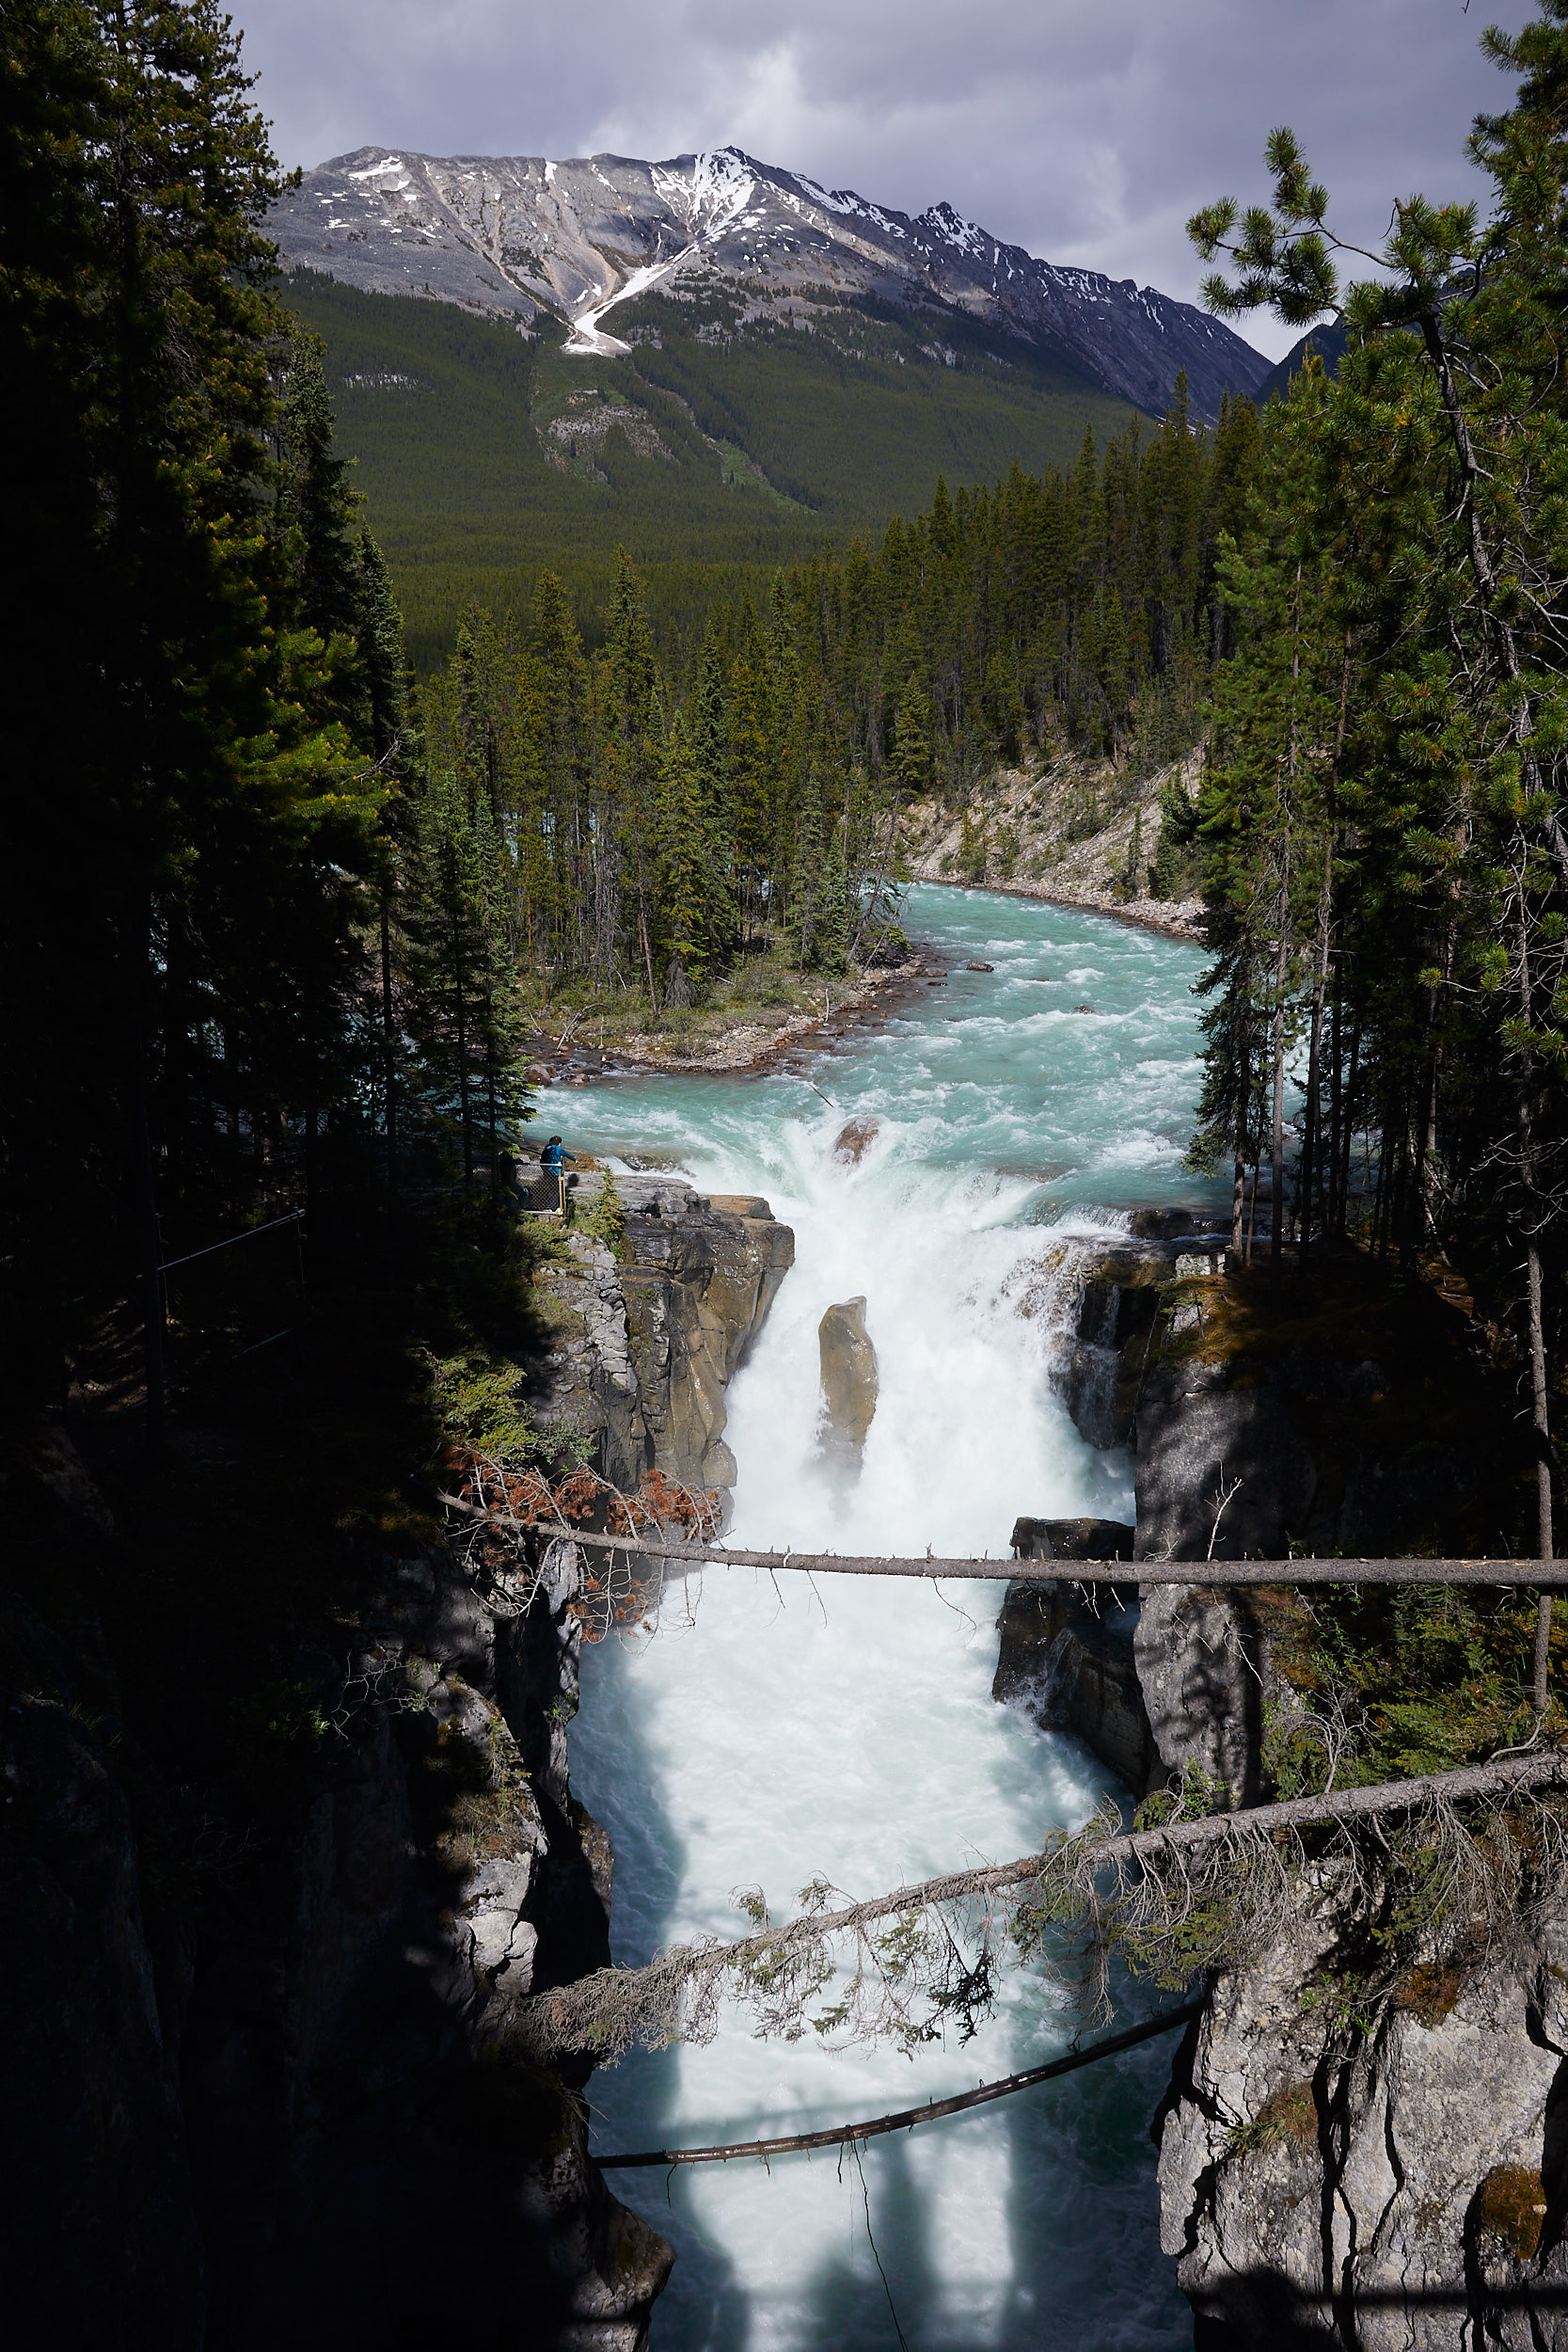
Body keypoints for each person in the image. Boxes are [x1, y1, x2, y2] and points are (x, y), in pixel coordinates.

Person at [539, 1134, 577, 1213]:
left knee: (550, 1189)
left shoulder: (547, 1149)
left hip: (547, 1173)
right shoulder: (559, 1149)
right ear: (559, 1143)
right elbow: (568, 1155)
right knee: (556, 1190)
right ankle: (554, 1208)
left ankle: (549, 1206)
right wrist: (575, 1160)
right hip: (556, 1173)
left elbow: (542, 1160)